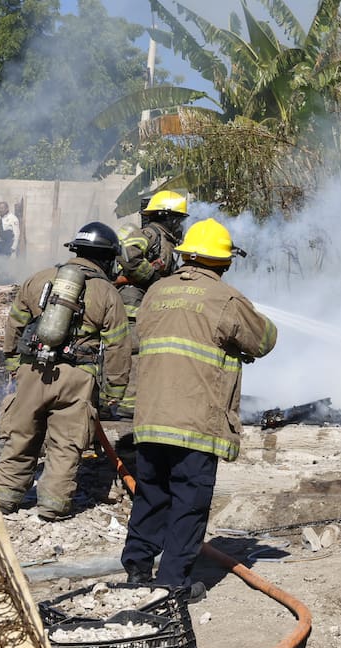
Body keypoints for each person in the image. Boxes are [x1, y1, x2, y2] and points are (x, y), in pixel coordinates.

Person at [121, 218, 276, 600]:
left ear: (186, 255)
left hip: (152, 417)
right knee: (189, 502)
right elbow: (264, 340)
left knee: (151, 495)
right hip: (195, 421)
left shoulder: (156, 292)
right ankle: (173, 582)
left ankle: (137, 570)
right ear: (223, 263)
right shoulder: (226, 299)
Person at [0, 222, 131, 520]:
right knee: (66, 444)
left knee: (21, 435)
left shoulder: (38, 279)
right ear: (106, 258)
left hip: (33, 369)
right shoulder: (107, 293)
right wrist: (114, 392)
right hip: (77, 377)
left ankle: (3, 498)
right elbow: (118, 347)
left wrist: (14, 364)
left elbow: (14, 323)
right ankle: (53, 505)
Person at [111, 191, 190, 418]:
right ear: (168, 217)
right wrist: (151, 277)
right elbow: (128, 255)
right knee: (135, 350)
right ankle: (128, 406)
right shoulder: (150, 233)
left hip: (148, 303)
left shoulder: (167, 239)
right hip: (133, 301)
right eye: (178, 219)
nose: (180, 224)